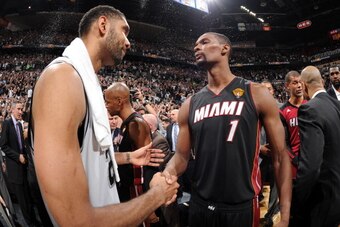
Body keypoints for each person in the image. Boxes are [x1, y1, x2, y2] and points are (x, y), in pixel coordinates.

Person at [31, 5, 178, 226]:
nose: (128, 42)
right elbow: (75, 220)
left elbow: (85, 155)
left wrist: (128, 157)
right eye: (124, 31)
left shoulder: (86, 81)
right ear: (103, 25)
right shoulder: (62, 78)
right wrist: (157, 195)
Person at [163, 32, 292, 227]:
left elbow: (280, 157)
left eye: (205, 42)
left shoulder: (256, 92)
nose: (197, 47)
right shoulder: (190, 104)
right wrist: (168, 173)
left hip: (241, 207)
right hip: (200, 205)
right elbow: (181, 157)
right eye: (196, 45)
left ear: (225, 49)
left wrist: (284, 216)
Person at [292, 66, 340, 227]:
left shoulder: (309, 109)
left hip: (322, 199)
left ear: (304, 86)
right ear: (322, 81)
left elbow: (311, 166)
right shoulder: (336, 104)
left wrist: (296, 200)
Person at [0, 102, 36, 226]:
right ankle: (30, 223)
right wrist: (17, 156)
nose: (21, 112)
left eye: (22, 109)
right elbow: (3, 145)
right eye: (19, 109)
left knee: (28, 197)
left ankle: (34, 221)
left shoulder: (20, 126)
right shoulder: (7, 124)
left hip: (24, 167)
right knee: (23, 202)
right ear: (12, 109)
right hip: (15, 169)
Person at [259, 80, 282, 226]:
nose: (267, 91)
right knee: (256, 187)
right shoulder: (253, 110)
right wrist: (260, 147)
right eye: (263, 89)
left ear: (273, 91)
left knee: (275, 188)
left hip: (276, 155)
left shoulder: (282, 108)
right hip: (259, 156)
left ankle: (270, 216)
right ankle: (254, 212)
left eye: (269, 88)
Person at [280, 71, 307, 180]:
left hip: (313, 158)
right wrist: (294, 158)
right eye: (295, 83)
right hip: (295, 162)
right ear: (287, 86)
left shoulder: (311, 104)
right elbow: (284, 142)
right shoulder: (282, 111)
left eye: (301, 82)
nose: (299, 85)